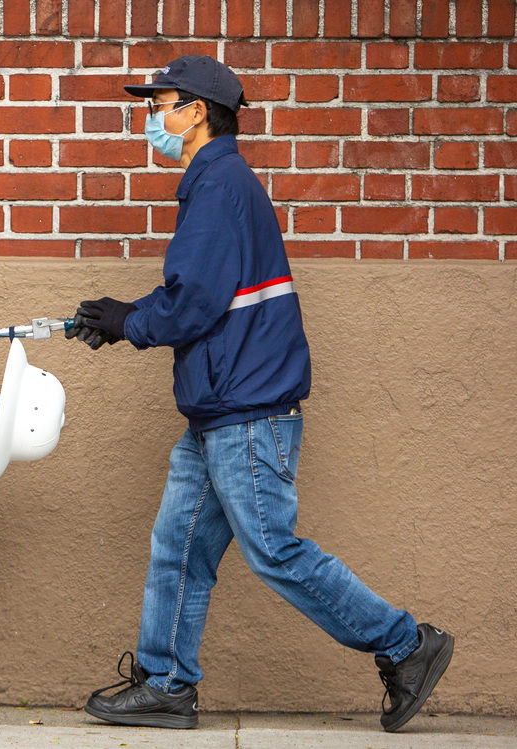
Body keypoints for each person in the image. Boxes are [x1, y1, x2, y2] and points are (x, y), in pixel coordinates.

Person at [68, 55, 453, 733]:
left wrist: (132, 322)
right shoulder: (217, 184)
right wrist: (126, 312)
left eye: (158, 105)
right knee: (178, 547)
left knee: (275, 550)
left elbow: (196, 305)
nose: (150, 117)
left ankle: (406, 645)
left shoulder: (218, 187)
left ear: (194, 111)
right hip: (220, 410)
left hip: (245, 413)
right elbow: (204, 294)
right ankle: (166, 683)